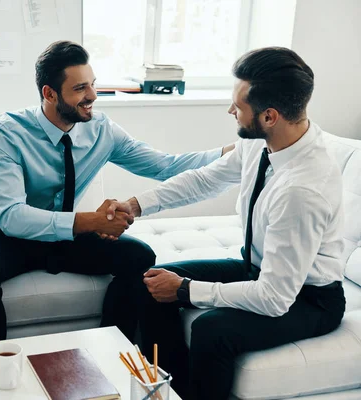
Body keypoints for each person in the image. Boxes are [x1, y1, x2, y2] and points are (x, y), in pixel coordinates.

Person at [104, 47, 346, 400]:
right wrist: (136, 204)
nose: (230, 110)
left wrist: (186, 289)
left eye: (238, 106)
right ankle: (168, 392)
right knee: (149, 285)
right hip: (257, 268)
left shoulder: (302, 189)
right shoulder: (263, 142)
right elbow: (205, 180)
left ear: (270, 116)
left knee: (211, 329)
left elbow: (275, 298)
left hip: (309, 299)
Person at [0, 40, 234, 343]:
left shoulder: (101, 129)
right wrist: (93, 221)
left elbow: (164, 166)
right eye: (79, 89)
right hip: (7, 236)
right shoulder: (5, 132)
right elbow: (11, 216)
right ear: (49, 94)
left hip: (65, 237)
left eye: (92, 85)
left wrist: (231, 154)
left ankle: (113, 347)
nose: (92, 96)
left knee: (139, 256)